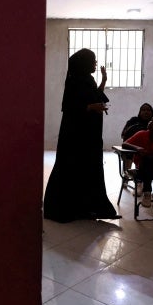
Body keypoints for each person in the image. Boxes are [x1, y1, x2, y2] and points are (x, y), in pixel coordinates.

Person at [43, 48, 121, 223]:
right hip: (75, 137)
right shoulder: (74, 81)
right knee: (71, 168)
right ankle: (66, 208)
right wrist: (91, 108)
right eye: (93, 60)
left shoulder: (88, 79)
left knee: (90, 169)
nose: (95, 63)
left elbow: (95, 97)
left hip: (90, 135)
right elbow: (69, 107)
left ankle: (90, 208)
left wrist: (104, 81)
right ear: (84, 63)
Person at [123, 112, 153, 208]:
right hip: (142, 168)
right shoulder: (142, 134)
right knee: (148, 158)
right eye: (151, 120)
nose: (150, 123)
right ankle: (147, 192)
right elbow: (125, 144)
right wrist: (137, 148)